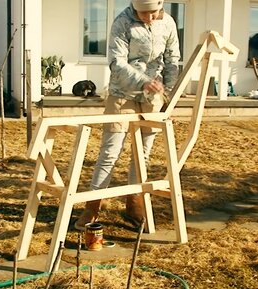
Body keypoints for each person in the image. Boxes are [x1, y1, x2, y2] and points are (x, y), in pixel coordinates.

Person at [75, 0, 180, 230]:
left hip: (153, 98)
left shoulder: (169, 23)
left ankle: (134, 203)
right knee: (110, 152)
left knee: (142, 154)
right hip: (122, 94)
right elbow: (116, 62)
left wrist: (169, 94)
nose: (149, 18)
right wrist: (144, 81)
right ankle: (92, 207)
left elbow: (172, 60)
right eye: (143, 13)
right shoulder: (122, 22)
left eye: (153, 13)